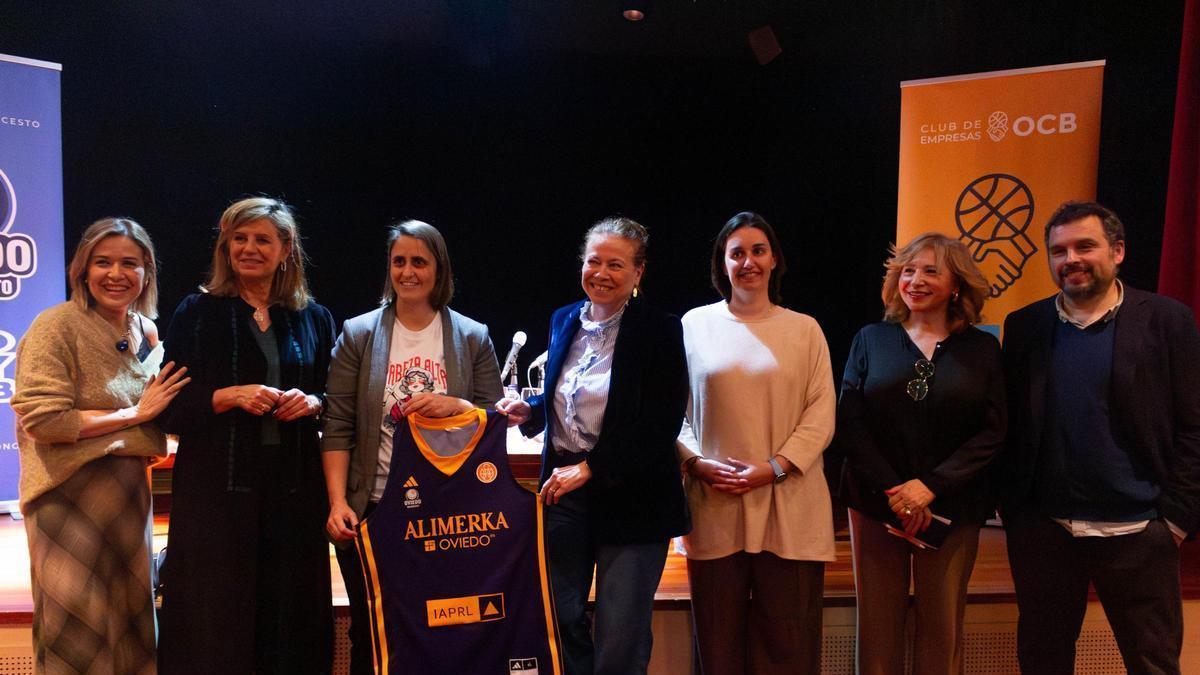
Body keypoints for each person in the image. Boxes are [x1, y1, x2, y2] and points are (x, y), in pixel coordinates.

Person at [1000, 201, 1200, 675]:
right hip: (1046, 532)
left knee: (1153, 664)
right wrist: (1017, 514)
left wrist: (1174, 521)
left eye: (1084, 246)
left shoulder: (1168, 320)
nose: (1071, 259)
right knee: (1042, 661)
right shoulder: (1025, 326)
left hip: (1139, 532)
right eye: (1059, 251)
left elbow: (1195, 424)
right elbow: (1011, 425)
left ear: (1118, 251)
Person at [496, 216, 690, 675]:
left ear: (639, 271)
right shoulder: (564, 317)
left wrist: (592, 468)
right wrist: (531, 410)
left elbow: (660, 423)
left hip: (633, 495)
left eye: (615, 265)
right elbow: (569, 393)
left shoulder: (659, 328)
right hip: (563, 492)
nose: (601, 273)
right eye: (593, 261)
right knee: (560, 616)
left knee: (620, 633)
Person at [157, 197, 336, 674]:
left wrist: (313, 402)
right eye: (239, 238)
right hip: (215, 496)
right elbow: (168, 408)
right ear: (225, 246)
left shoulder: (314, 317)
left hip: (294, 493)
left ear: (286, 249)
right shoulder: (195, 312)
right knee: (215, 618)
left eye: (262, 239)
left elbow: (336, 398)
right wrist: (228, 395)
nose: (249, 248)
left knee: (290, 616)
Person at [321, 220, 503, 674]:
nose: (407, 272)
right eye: (398, 261)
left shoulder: (472, 336)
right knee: (371, 633)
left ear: (439, 270)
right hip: (373, 509)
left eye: (419, 262)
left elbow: (494, 419)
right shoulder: (359, 334)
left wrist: (457, 405)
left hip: (449, 514)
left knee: (444, 629)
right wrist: (338, 502)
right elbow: (337, 425)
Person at [12, 217, 189, 674]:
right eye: (102, 262)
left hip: (129, 497)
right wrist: (135, 415)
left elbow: (163, 404)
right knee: (77, 625)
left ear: (147, 272)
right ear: (82, 270)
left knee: (131, 623)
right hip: (67, 496)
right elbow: (45, 420)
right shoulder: (56, 326)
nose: (116, 274)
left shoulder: (145, 330)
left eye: (130, 263)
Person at [835, 232, 1005, 674]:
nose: (916, 280)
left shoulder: (983, 348)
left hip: (952, 505)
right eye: (908, 271)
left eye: (931, 271)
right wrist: (898, 492)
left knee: (942, 629)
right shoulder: (870, 339)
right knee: (877, 629)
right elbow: (850, 422)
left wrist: (930, 488)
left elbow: (993, 431)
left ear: (956, 285)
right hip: (876, 502)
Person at [675, 211, 836, 674]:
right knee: (718, 646)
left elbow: (821, 412)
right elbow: (673, 412)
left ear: (774, 259)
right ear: (722, 263)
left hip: (790, 506)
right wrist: (696, 462)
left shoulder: (805, 329)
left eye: (758, 251)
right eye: (737, 253)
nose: (748, 262)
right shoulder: (694, 325)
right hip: (715, 503)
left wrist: (776, 467)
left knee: (789, 648)